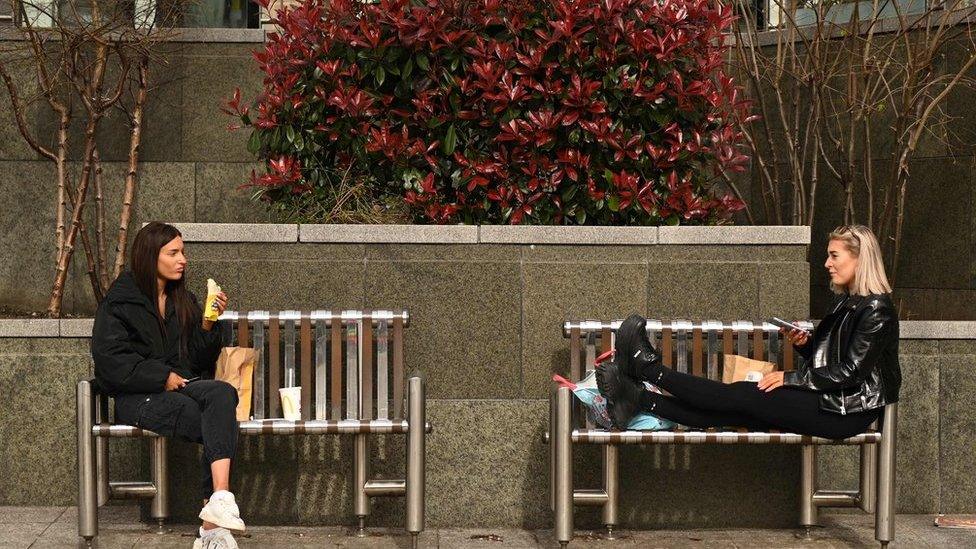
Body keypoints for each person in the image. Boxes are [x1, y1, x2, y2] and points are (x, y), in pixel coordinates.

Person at [597, 224, 901, 440]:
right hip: (830, 398)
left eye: (834, 255)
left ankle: (648, 370)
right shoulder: (845, 302)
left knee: (742, 395)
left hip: (847, 410)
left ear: (860, 258)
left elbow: (851, 372)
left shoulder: (876, 310)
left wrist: (789, 377)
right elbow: (832, 361)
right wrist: (806, 346)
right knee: (737, 409)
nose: (826, 263)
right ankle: (640, 399)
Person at [91, 222, 244, 549]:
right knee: (216, 419)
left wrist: (207, 323)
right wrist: (160, 376)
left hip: (184, 386)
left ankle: (217, 501)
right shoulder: (121, 303)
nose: (183, 259)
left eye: (183, 251)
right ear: (150, 257)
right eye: (173, 253)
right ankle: (212, 525)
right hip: (138, 397)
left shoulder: (181, 299)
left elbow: (199, 361)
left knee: (223, 393)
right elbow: (110, 360)